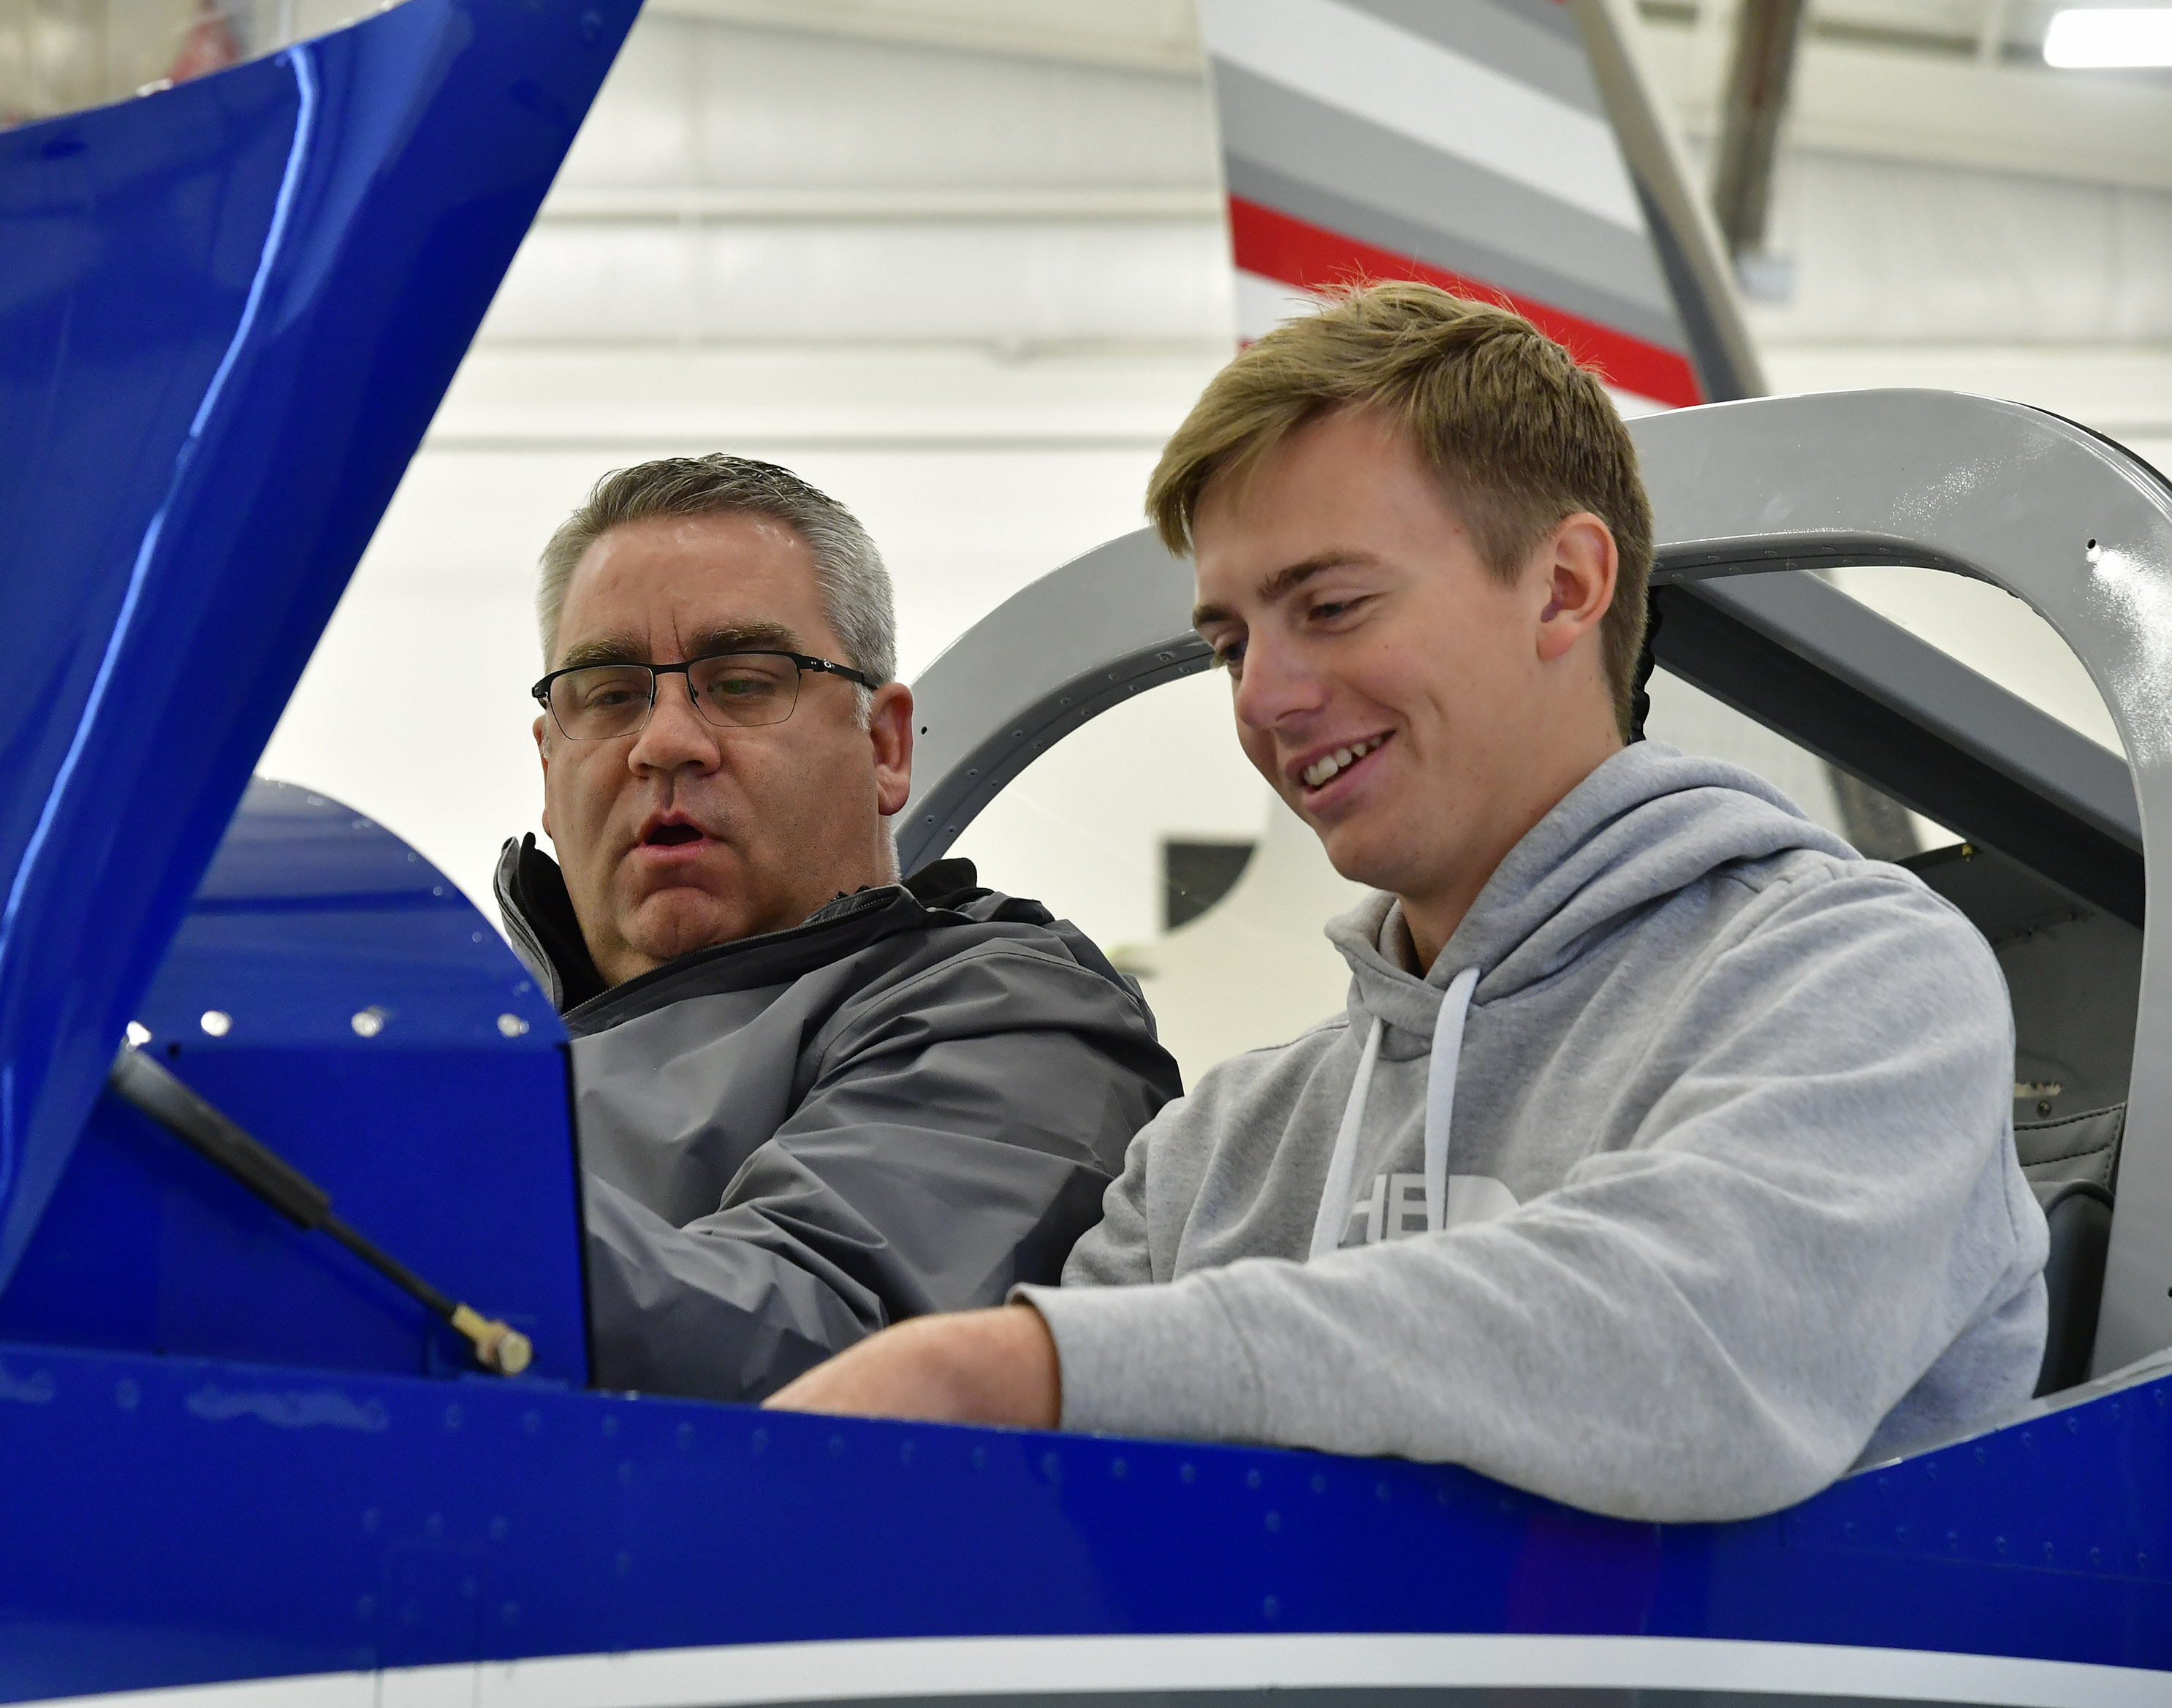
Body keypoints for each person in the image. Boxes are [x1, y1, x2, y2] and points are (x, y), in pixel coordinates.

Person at [766, 284, 2048, 1524]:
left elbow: (1703, 1348)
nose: (1264, 698)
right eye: (1231, 644)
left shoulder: (1864, 981)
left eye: (1330, 607)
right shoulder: (1218, 1154)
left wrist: (1013, 1368)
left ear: (1563, 586)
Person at [495, 454, 1182, 1403]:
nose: (664, 743)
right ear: (548, 761)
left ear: (886, 745)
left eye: (740, 682)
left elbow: (821, 1344)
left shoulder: (1009, 1018)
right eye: (610, 695)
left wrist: (392, 1194)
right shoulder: (479, 1040)